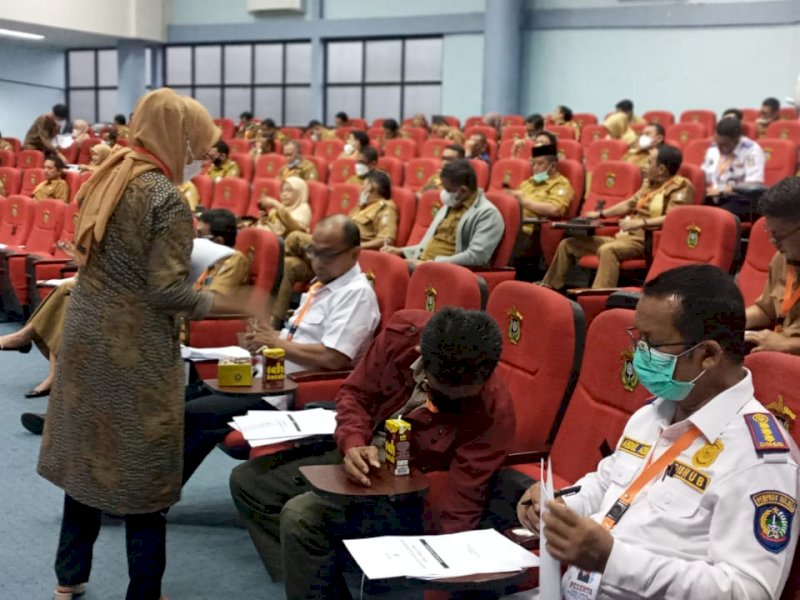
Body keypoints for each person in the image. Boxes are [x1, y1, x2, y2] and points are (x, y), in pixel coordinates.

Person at [36, 89, 270, 600]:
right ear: (174, 136)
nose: (199, 153)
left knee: (88, 458)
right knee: (144, 472)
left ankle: (68, 577)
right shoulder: (164, 196)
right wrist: (232, 302)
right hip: (132, 349)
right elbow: (166, 293)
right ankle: (144, 591)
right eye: (194, 142)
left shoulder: (109, 173)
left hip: (86, 335)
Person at [517, 263, 800, 599]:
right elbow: (608, 483)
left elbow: (748, 591)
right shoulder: (653, 413)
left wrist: (613, 560)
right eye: (638, 339)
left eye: (653, 344)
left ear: (708, 354)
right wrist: (557, 506)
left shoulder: (759, 459)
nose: (640, 354)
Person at [229, 307, 515, 599]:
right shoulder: (401, 335)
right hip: (362, 449)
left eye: (456, 401)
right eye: (437, 391)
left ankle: (319, 566)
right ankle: (318, 572)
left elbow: (464, 497)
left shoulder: (495, 411)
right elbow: (356, 394)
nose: (441, 403)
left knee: (302, 516)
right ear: (421, 355)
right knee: (249, 482)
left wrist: (443, 568)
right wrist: (353, 443)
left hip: (408, 487)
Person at [182, 215, 381, 484]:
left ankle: (157, 496)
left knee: (193, 415)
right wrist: (267, 339)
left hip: (287, 394)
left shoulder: (355, 294)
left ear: (354, 253)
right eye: (313, 251)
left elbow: (333, 357)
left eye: (327, 254)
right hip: (265, 378)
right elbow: (301, 338)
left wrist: (276, 343)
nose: (317, 261)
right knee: (186, 397)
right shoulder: (324, 285)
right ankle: (146, 489)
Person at [16, 207, 250, 433]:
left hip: (191, 326)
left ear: (218, 240)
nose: (195, 237)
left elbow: (210, 301)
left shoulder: (231, 260)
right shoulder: (198, 254)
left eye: (201, 233)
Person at [542, 145, 693, 290]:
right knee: (568, 244)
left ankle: (597, 297)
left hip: (646, 241)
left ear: (661, 169)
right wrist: (601, 214)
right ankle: (550, 286)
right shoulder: (650, 184)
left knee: (608, 250)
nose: (644, 166)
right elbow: (629, 204)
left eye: (649, 162)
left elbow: (673, 218)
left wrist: (641, 223)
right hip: (623, 237)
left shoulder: (680, 186)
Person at [271, 172, 397, 323]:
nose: (361, 188)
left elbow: (386, 239)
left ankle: (271, 264)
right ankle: (275, 321)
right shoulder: (361, 208)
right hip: (329, 255)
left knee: (295, 237)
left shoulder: (385, 208)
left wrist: (356, 246)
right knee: (289, 264)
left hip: (343, 254)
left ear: (373, 186)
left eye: (364, 184)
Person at [383, 159, 504, 267]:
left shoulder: (488, 214)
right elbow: (427, 246)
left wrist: (431, 263)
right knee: (385, 263)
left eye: (447, 190)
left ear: (462, 191)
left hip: (448, 272)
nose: (443, 193)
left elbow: (476, 256)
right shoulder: (451, 204)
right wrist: (401, 251)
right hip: (423, 263)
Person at [745, 177, 800, 353]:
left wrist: (788, 344)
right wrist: (730, 322)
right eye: (770, 233)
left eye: (779, 236)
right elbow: (766, 310)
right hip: (776, 352)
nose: (773, 242)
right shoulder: (781, 259)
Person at [702, 117, 765, 218]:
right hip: (713, 196)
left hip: (740, 200)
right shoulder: (713, 149)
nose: (720, 148)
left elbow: (754, 184)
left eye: (725, 144)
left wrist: (722, 191)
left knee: (714, 217)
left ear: (737, 139)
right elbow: (704, 176)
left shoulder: (752, 150)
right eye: (718, 143)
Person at [513, 143, 574, 235]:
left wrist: (524, 202)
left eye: (540, 163)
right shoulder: (528, 182)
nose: (535, 168)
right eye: (533, 164)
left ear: (553, 166)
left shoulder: (561, 184)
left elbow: (555, 209)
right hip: (511, 222)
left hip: (528, 229)